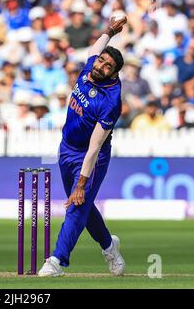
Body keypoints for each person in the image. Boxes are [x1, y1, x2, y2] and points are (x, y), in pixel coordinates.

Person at [38, 16, 127, 277]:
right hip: (66, 148)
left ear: (114, 73)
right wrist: (109, 31)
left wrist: (81, 183)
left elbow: (95, 147)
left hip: (90, 157)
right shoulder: (90, 68)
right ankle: (110, 247)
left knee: (76, 206)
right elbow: (93, 50)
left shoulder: (111, 101)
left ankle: (56, 261)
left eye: (107, 65)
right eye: (101, 61)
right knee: (84, 207)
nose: (100, 65)